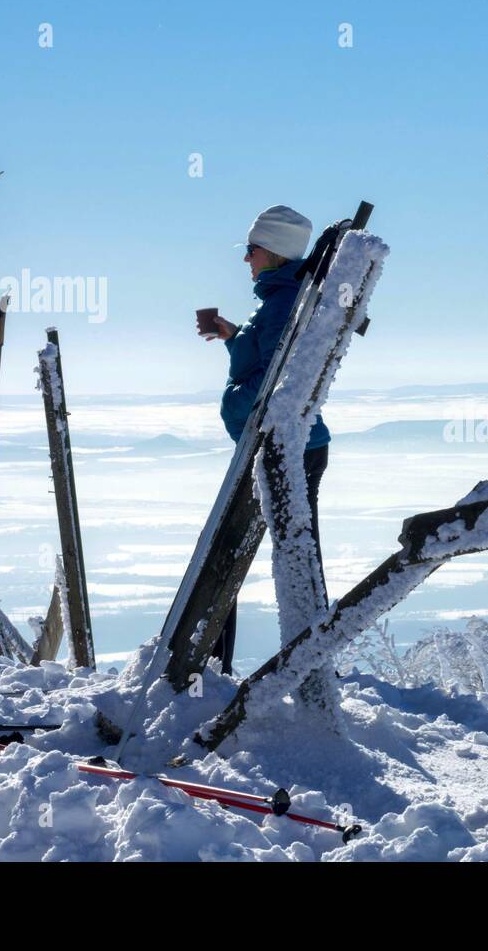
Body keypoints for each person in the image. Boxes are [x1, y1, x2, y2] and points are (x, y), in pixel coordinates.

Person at [198, 204, 330, 673]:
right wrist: (235, 336)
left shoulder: (281, 304)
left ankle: (213, 668)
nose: (245, 259)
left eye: (251, 249)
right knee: (268, 551)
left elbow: (281, 382)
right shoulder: (278, 300)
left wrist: (237, 404)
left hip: (281, 447)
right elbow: (269, 365)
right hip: (282, 445)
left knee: (238, 551)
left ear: (272, 251)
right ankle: (218, 666)